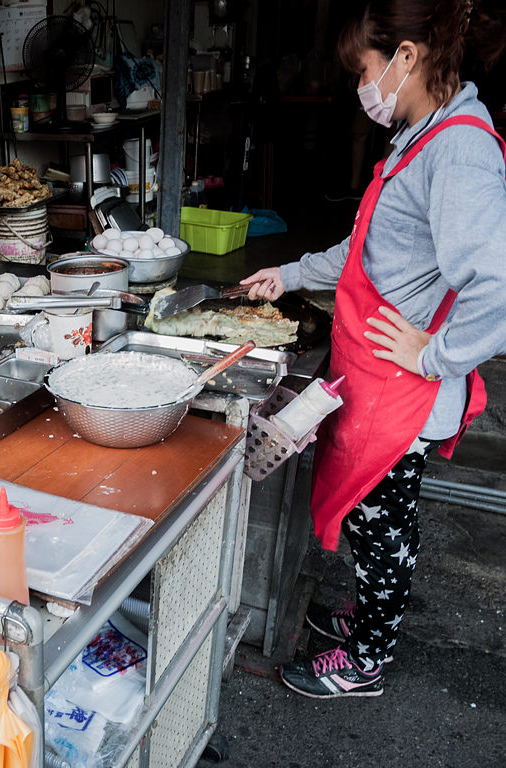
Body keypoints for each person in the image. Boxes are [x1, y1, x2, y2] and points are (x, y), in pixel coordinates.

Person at [241, 0, 506, 699]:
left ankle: (368, 660)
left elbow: (498, 284)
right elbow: (368, 253)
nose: (363, 87)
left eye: (365, 70)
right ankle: (368, 621)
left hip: (405, 391)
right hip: (375, 377)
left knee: (385, 525)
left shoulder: (460, 150)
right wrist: (292, 273)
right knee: (371, 517)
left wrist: (434, 353)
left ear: (407, 57)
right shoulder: (421, 135)